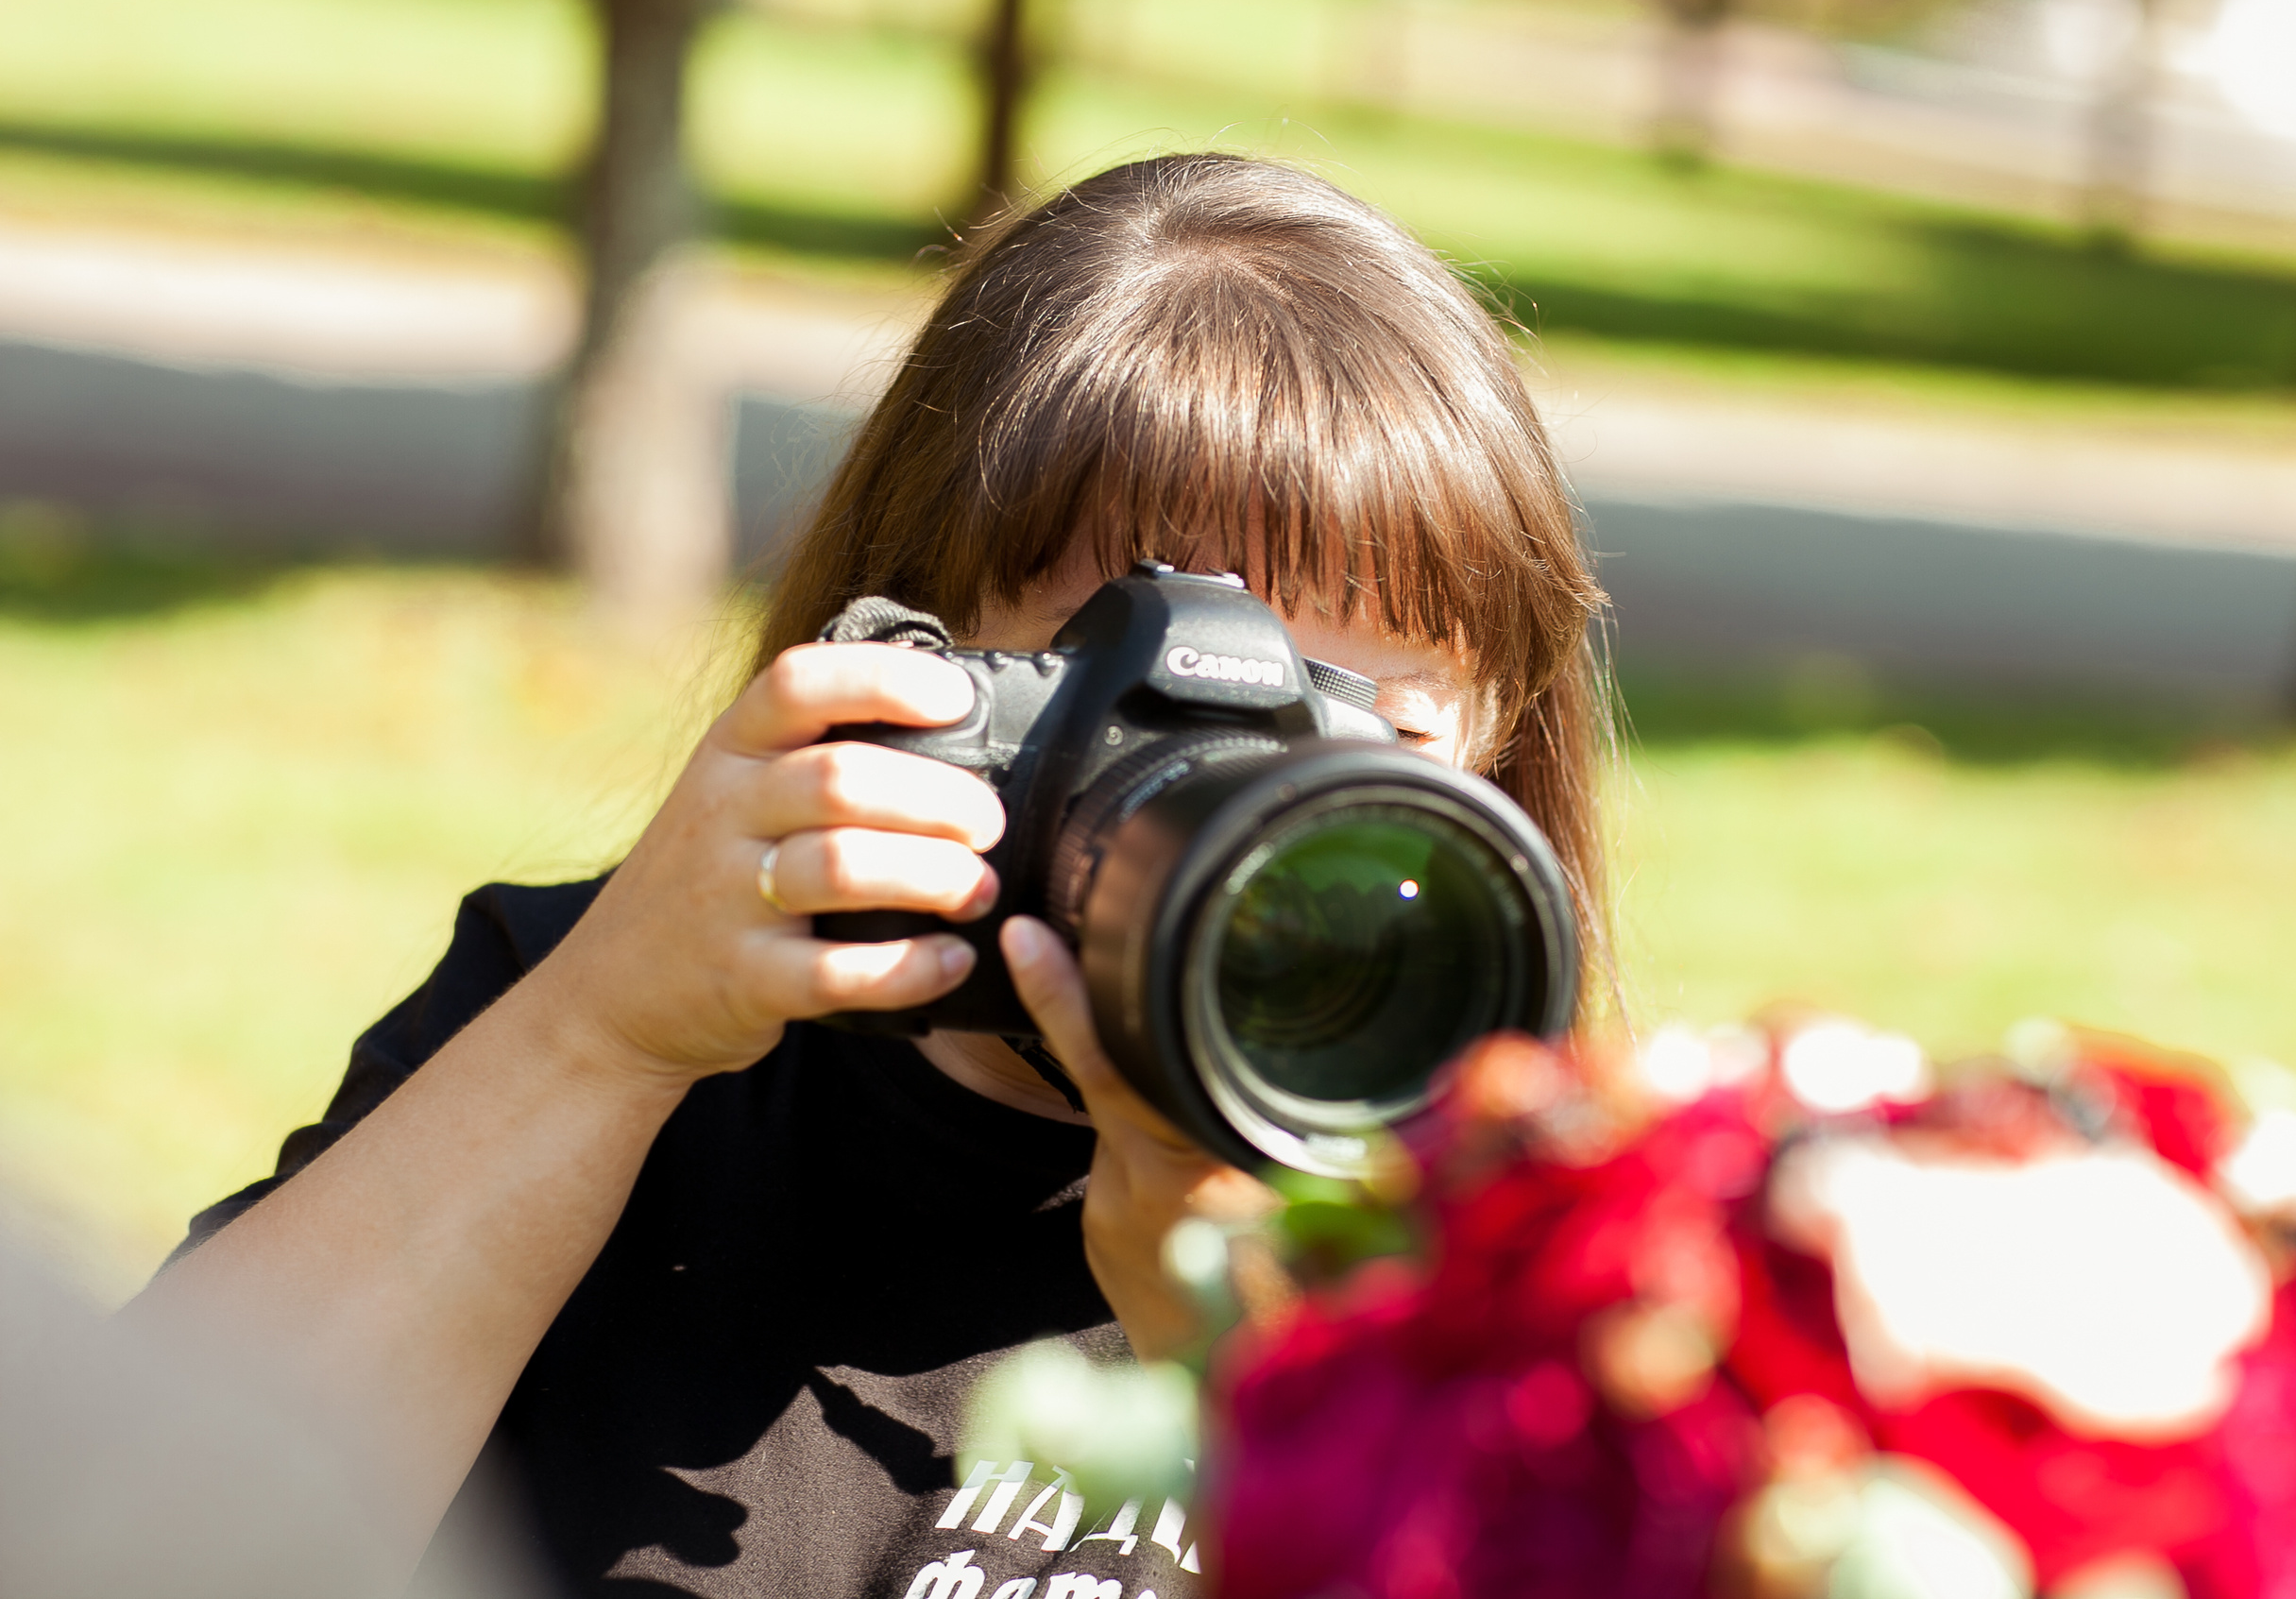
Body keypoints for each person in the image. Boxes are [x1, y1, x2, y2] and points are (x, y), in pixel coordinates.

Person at [128, 152, 1612, 1599]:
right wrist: (598, 1039)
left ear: (1499, 746)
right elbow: (116, 1531)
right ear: (904, 663)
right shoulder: (610, 1025)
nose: (1250, 807)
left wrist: (1260, 1370)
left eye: (1363, 726)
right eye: (1152, 706)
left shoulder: (1557, 1234)